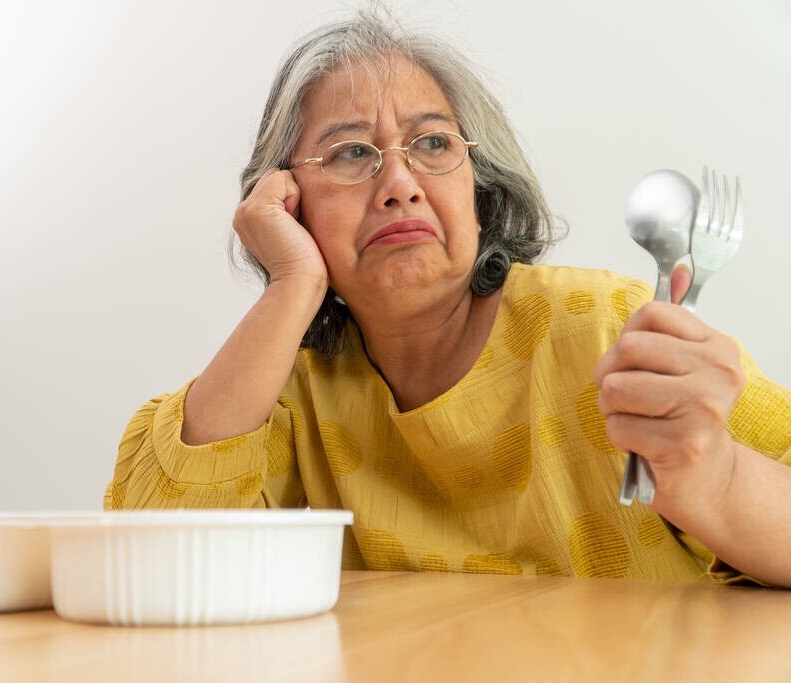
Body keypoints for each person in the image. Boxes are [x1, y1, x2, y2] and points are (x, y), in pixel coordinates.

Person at [105, 11, 791, 586]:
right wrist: (293, 284)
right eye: (349, 153)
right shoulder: (284, 392)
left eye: (433, 142)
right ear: (286, 202)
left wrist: (718, 478)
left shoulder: (608, 327)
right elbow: (149, 559)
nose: (399, 182)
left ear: (480, 189)